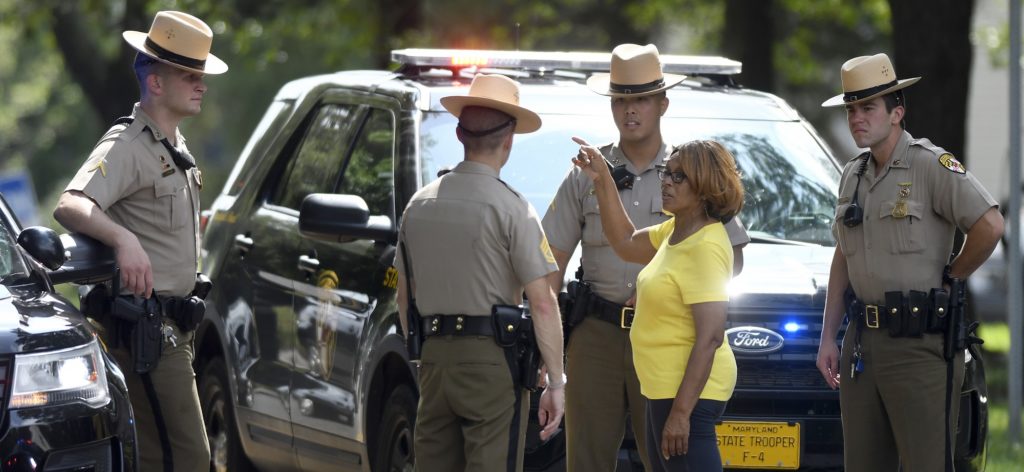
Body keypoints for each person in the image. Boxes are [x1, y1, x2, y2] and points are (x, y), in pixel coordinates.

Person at [542, 43, 749, 471]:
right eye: (621, 101)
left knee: (667, 458)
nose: (629, 111)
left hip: (675, 341)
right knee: (586, 460)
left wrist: (667, 292)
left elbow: (731, 260)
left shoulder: (690, 169)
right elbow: (552, 267)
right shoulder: (587, 172)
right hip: (597, 332)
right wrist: (548, 355)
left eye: (640, 100)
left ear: (662, 104)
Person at [53, 10, 227, 472]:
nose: (201, 85)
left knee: (164, 457)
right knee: (187, 457)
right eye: (190, 75)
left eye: (201, 75)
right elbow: (71, 203)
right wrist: (123, 238)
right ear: (155, 83)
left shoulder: (174, 146)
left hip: (177, 327)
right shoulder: (128, 144)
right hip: (151, 332)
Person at [815, 53, 1004, 471]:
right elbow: (842, 254)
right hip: (863, 342)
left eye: (868, 108)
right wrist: (829, 336)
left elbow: (990, 224)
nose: (857, 118)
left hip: (920, 346)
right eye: (851, 109)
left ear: (896, 112)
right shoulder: (853, 174)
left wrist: (954, 274)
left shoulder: (929, 165)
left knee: (925, 464)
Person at [395, 74, 566, 472]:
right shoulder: (513, 208)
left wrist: (425, 359)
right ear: (509, 140)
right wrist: (556, 381)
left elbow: (405, 297)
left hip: (435, 359)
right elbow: (542, 303)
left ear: (459, 134)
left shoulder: (418, 205)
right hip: (491, 363)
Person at [573, 138, 743, 471]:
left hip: (689, 395)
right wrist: (602, 179)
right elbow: (624, 242)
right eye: (667, 172)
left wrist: (681, 414)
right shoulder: (676, 230)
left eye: (679, 177)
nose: (666, 181)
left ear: (706, 186)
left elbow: (710, 337)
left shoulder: (705, 246)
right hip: (662, 386)